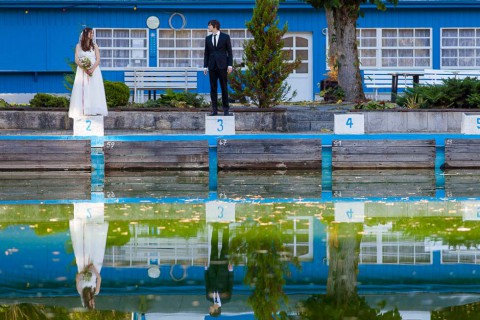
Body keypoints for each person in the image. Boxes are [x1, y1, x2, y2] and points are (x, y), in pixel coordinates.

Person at [69, 203, 109, 309]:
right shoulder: (96, 291)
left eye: (92, 304)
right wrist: (93, 270)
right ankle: (95, 223)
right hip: (94, 267)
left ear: (88, 303)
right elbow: (99, 279)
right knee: (96, 245)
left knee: (83, 246)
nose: (94, 303)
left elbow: (77, 278)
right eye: (94, 304)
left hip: (83, 266)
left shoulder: (80, 291)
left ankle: (82, 222)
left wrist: (85, 270)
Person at [69, 27, 108, 118]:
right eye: (91, 33)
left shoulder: (95, 46)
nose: (92, 35)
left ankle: (94, 109)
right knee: (83, 88)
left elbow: (98, 59)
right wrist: (84, 68)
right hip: (82, 70)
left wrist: (92, 69)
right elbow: (76, 60)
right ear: (86, 34)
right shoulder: (78, 46)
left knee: (94, 88)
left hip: (94, 70)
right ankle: (84, 109)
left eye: (93, 33)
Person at [203, 19, 233, 116]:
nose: (208, 27)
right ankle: (214, 110)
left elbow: (230, 52)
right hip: (212, 66)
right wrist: (205, 66)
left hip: (223, 65)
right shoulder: (207, 38)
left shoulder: (225, 37)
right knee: (213, 88)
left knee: (224, 87)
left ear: (215, 26)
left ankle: (226, 110)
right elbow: (206, 53)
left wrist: (230, 65)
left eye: (209, 25)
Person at [205, 223, 234, 317]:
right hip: (223, 271)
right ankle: (226, 227)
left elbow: (207, 283)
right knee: (225, 248)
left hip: (212, 270)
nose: (209, 308)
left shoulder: (208, 297)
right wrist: (231, 271)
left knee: (214, 247)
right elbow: (230, 283)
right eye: (211, 310)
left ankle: (215, 227)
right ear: (216, 310)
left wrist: (206, 269)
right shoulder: (227, 299)